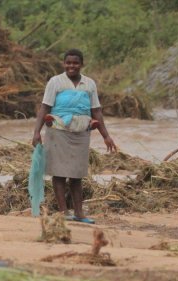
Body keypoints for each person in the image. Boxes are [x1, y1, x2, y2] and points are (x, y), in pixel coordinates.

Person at [32, 49, 116, 224]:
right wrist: (36, 132)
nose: (72, 66)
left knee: (77, 174)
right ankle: (63, 212)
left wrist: (106, 136)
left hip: (81, 132)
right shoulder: (55, 82)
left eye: (75, 63)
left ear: (81, 64)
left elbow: (96, 111)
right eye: (68, 63)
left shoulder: (89, 84)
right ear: (64, 64)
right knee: (59, 173)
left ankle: (79, 213)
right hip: (57, 130)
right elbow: (45, 108)